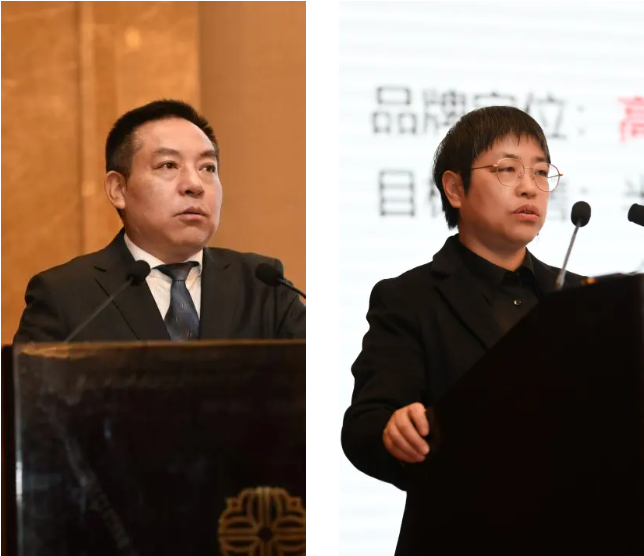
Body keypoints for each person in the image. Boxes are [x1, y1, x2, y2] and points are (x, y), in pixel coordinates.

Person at [341, 106, 583, 553]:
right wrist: (395, 430)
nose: (530, 186)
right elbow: (364, 426)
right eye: (507, 169)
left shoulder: (578, 298)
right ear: (455, 188)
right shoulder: (409, 298)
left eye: (540, 172)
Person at [14, 100, 305, 342]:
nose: (194, 184)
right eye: (168, 165)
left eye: (207, 167)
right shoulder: (65, 296)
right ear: (118, 189)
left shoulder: (265, 287)